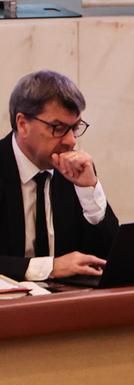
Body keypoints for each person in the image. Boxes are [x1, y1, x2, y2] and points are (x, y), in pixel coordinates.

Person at [0, 70, 118, 281]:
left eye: (75, 127)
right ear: (23, 124)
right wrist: (49, 267)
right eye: (58, 127)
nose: (71, 141)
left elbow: (108, 258)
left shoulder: (74, 171)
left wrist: (89, 191)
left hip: (66, 299)